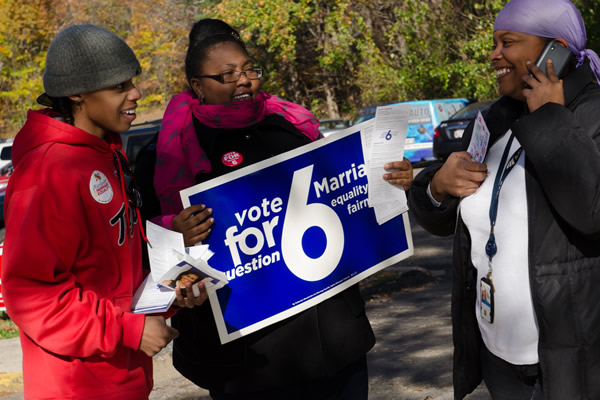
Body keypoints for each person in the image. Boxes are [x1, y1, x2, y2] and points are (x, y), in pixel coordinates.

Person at [152, 18, 412, 400]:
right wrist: (175, 239)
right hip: (250, 360)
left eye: (248, 69)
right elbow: (152, 247)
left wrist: (391, 180)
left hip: (336, 343)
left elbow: (348, 196)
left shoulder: (293, 126)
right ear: (197, 85)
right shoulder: (169, 152)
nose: (243, 80)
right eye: (227, 75)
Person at [1, 25, 206, 400]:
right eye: (118, 86)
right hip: (76, 388)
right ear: (77, 94)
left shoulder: (105, 153)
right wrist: (130, 330)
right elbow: (31, 295)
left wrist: (169, 290)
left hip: (123, 381)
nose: (135, 93)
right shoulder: (47, 171)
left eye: (131, 81)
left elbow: (111, 274)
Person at [407, 1, 600, 399]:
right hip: (497, 352)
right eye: (494, 42)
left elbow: (592, 213)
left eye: (507, 42)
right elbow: (446, 218)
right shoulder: (495, 120)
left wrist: (550, 117)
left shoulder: (593, 114)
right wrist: (437, 186)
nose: (494, 54)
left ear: (557, 50)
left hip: (569, 358)